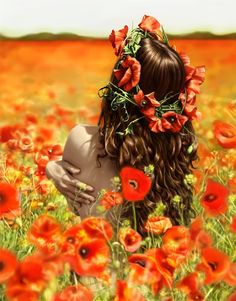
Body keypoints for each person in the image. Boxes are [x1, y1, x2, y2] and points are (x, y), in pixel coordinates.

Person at [46, 15, 205, 232]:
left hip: (91, 263)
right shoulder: (175, 158)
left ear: (119, 85)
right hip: (152, 266)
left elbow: (76, 207)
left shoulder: (80, 141)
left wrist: (51, 167)